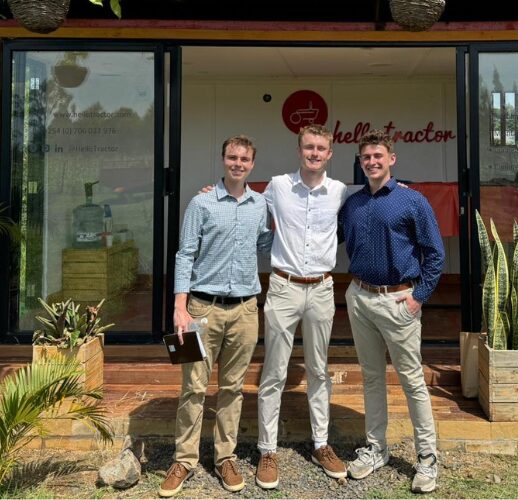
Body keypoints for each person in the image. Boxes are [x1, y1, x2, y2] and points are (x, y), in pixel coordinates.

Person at [158, 135, 272, 497]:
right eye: (232, 157)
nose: (238, 163)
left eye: (245, 159)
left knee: (233, 387)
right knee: (193, 386)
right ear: (223, 159)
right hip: (200, 309)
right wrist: (179, 304)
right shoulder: (201, 202)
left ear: (253, 164)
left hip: (244, 310)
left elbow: (266, 245)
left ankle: (225, 456)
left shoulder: (260, 205)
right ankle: (184, 459)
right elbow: (184, 254)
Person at [338, 130, 445, 494]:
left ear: (391, 159)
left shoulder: (412, 202)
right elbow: (319, 233)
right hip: (360, 297)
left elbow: (435, 254)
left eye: (378, 156)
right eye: (366, 157)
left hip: (399, 301)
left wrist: (419, 297)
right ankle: (376, 448)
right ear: (361, 161)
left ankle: (427, 458)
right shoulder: (352, 204)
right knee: (371, 378)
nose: (372, 162)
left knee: (412, 381)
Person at [255, 124, 348, 488]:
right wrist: (213, 192)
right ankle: (267, 449)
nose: (314, 153)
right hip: (283, 287)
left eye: (320, 148)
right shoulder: (278, 186)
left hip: (322, 288)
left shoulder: (339, 191)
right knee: (274, 371)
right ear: (299, 151)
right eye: (308, 147)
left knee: (319, 370)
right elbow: (246, 205)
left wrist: (398, 186)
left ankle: (321, 444)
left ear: (329, 154)